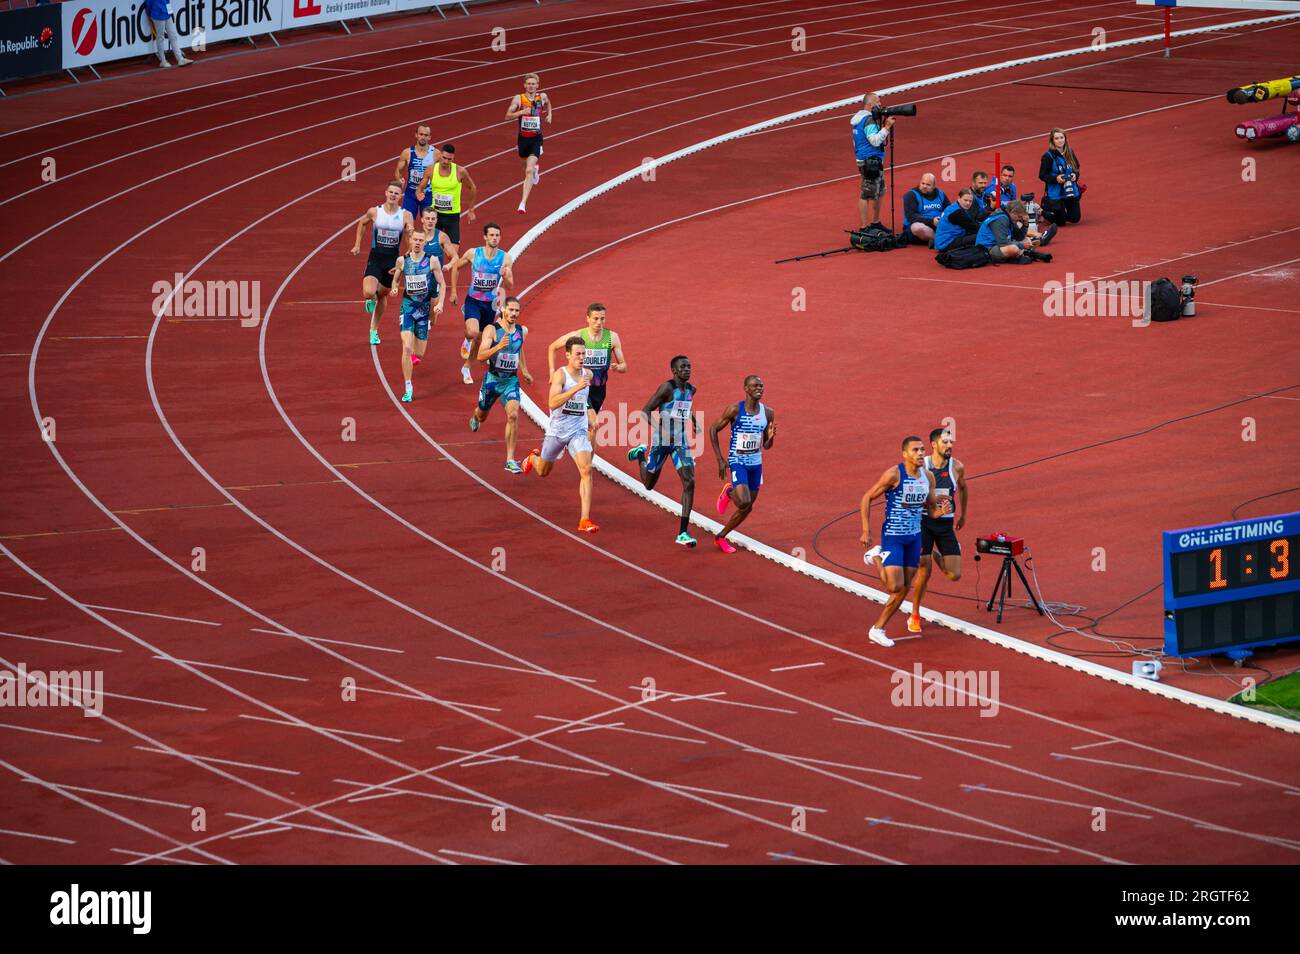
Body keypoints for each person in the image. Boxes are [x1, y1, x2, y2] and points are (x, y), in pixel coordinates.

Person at [859, 436, 951, 647]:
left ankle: (878, 629)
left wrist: (940, 511)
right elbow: (866, 498)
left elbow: (929, 508)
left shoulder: (928, 477)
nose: (920, 454)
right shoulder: (894, 474)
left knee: (905, 587)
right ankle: (875, 556)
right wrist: (866, 530)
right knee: (894, 586)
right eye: (916, 450)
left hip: (914, 537)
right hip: (894, 536)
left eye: (922, 450)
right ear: (905, 454)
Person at [521, 337, 598, 532]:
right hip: (557, 432)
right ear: (568, 356)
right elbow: (552, 403)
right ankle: (533, 458)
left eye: (584, 354)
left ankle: (584, 520)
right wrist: (575, 388)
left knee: (586, 470)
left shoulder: (588, 374)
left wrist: (590, 415)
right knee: (543, 472)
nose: (582, 357)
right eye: (578, 354)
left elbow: (585, 400)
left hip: (578, 431)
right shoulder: (560, 375)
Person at [627, 355, 698, 548]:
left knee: (689, 482)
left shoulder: (692, 389)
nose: (687, 370)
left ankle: (683, 532)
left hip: (680, 442)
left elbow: (685, 408)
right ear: (674, 371)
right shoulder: (667, 388)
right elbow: (645, 411)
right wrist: (663, 431)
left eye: (689, 367)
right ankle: (641, 454)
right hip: (661, 441)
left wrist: (693, 421)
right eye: (683, 367)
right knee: (649, 484)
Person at [906, 427, 967, 633]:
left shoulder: (957, 467)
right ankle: (914, 615)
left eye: (951, 442)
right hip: (924, 522)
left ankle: (935, 552)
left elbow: (964, 488)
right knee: (924, 568)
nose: (950, 446)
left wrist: (963, 515)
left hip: (945, 524)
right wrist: (933, 506)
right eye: (945, 442)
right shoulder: (923, 468)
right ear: (934, 445)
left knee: (954, 575)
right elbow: (911, 499)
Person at [709, 375, 775, 555]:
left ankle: (721, 536)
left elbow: (767, 445)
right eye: (755, 386)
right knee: (744, 500)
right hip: (738, 461)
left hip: (756, 463)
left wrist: (771, 436)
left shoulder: (768, 413)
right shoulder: (734, 410)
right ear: (746, 388)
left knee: (747, 507)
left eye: (761, 386)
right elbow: (713, 429)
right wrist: (720, 458)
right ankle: (730, 491)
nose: (759, 389)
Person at [546, 304, 627, 451]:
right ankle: (583, 467)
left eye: (602, 319)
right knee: (594, 423)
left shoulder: (612, 338)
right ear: (588, 318)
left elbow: (624, 366)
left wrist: (618, 367)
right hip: (581, 387)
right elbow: (552, 347)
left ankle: (586, 464)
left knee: (592, 429)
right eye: (595, 319)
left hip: (599, 390)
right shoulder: (578, 336)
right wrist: (552, 371)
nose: (599, 323)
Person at [470, 297, 533, 472]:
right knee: (482, 414)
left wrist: (525, 370)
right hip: (492, 380)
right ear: (503, 310)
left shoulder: (522, 330)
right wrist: (498, 347)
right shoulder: (492, 330)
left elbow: (519, 349)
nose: (514, 314)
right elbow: (481, 356)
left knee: (513, 415)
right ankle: (475, 417)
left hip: (510, 381)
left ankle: (510, 460)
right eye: (511, 310)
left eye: (517, 311)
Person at [445, 223, 513, 385]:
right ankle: (468, 337)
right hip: (473, 301)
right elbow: (456, 267)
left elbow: (509, 286)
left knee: (480, 340)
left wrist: (506, 275)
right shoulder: (473, 254)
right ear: (485, 237)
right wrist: (453, 291)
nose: (495, 238)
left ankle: (466, 367)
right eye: (491, 235)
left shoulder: (505, 258)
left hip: (490, 305)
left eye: (497, 235)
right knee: (473, 332)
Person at [351, 181, 414, 345]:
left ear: (401, 196)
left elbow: (410, 238)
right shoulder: (375, 212)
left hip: (392, 261)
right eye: (391, 192)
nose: (393, 195)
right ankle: (370, 298)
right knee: (369, 292)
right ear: (386, 193)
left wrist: (405, 258)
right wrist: (357, 244)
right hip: (376, 258)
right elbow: (362, 223)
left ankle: (374, 331)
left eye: (396, 193)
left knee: (383, 295)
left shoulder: (405, 215)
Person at [388, 230, 446, 403]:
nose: (418, 242)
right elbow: (396, 279)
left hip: (424, 311)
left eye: (421, 240)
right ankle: (408, 386)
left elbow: (443, 284)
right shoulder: (402, 261)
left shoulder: (432, 261)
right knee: (407, 347)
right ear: (410, 241)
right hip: (407, 308)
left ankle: (415, 349)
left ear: (424, 243)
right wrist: (394, 288)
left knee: (418, 353)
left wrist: (441, 303)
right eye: (415, 239)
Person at [416, 143, 477, 265]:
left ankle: (441, 250)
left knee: (452, 255)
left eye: (449, 159)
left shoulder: (460, 171)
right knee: (428, 251)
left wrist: (471, 209)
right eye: (444, 158)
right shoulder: (431, 170)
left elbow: (472, 187)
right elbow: (421, 187)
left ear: (453, 158)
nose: (446, 161)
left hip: (452, 217)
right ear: (440, 156)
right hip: (435, 216)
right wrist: (419, 192)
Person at [506, 73, 551, 215]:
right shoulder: (519, 99)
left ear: (537, 85)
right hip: (522, 139)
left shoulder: (541, 97)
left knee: (528, 171)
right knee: (525, 166)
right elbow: (507, 116)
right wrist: (521, 112)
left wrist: (550, 114)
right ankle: (534, 170)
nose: (531, 86)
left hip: (536, 139)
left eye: (534, 84)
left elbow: (548, 103)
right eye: (529, 84)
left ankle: (522, 203)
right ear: (525, 85)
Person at [850, 93, 893, 229]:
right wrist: (886, 128)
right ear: (870, 105)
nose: (880, 104)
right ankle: (864, 227)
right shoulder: (868, 120)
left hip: (871, 161)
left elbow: (855, 142)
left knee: (880, 191)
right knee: (866, 194)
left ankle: (875, 222)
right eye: (878, 101)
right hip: (869, 163)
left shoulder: (860, 119)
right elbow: (874, 140)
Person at [975, 199, 1050, 264]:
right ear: (1013, 212)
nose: (1019, 219)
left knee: (1025, 239)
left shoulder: (1009, 217)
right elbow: (1003, 242)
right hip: (987, 248)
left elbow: (1019, 237)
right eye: (1019, 216)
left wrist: (1025, 224)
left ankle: (1020, 254)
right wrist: (1022, 245)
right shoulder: (1002, 219)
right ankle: (1016, 257)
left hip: (997, 245)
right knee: (1014, 248)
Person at [1039, 127, 1083, 227]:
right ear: (1052, 141)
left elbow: (1077, 169)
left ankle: (1059, 213)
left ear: (1065, 138)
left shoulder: (1070, 152)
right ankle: (1042, 211)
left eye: (1061, 137)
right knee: (1061, 223)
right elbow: (1042, 175)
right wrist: (1056, 178)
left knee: (1075, 218)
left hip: (1070, 190)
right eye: (1057, 138)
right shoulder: (1048, 156)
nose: (1060, 140)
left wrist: (1074, 176)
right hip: (1056, 193)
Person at [396, 125, 439, 223]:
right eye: (421, 134)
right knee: (406, 223)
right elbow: (398, 171)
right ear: (416, 135)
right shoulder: (407, 153)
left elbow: (443, 171)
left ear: (429, 137)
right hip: (411, 193)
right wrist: (399, 178)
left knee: (429, 224)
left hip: (428, 193)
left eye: (426, 135)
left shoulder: (436, 154)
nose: (423, 137)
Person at [902, 173, 948, 245]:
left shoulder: (940, 194)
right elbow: (911, 217)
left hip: (937, 225)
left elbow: (948, 209)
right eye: (923, 183)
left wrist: (943, 219)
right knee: (917, 228)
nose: (924, 186)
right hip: (920, 227)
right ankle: (941, 240)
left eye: (928, 185)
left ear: (934, 186)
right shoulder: (911, 195)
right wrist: (932, 221)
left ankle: (937, 240)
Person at [933, 188, 981, 253]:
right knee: (981, 235)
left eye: (970, 201)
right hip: (947, 244)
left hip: (943, 241)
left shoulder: (953, 207)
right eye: (965, 200)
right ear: (958, 198)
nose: (968, 203)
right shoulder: (958, 213)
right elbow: (974, 228)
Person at [147, 0, 192, 68]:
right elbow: (148, 3)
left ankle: (180, 59)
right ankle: (163, 60)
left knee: (173, 36)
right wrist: (149, 15)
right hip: (157, 14)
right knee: (160, 37)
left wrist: (170, 13)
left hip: (166, 14)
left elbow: (167, 1)